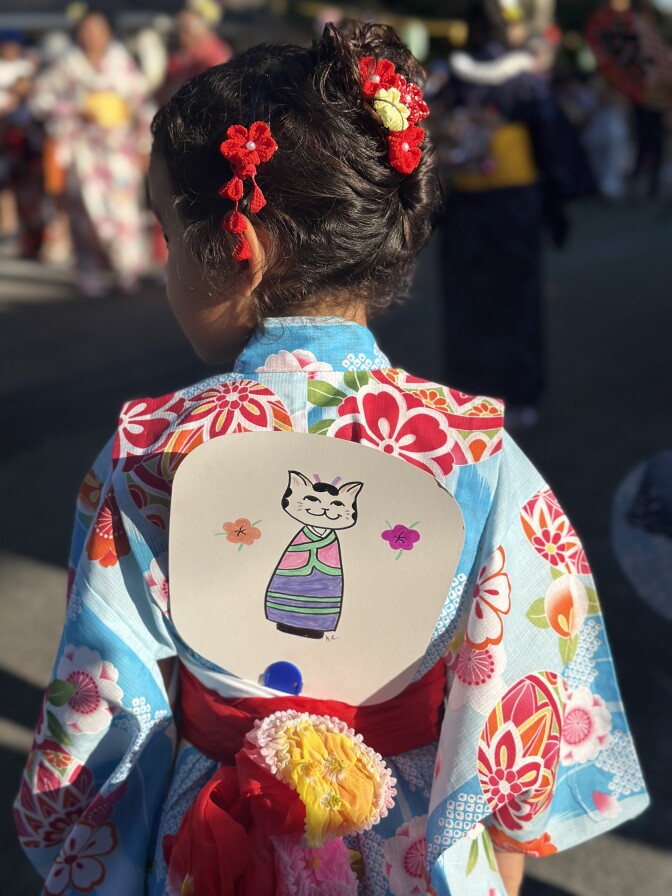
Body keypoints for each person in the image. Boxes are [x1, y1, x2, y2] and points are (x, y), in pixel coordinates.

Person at [13, 22, 648, 896]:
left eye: (167, 234)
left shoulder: (151, 449)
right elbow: (526, 692)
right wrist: (496, 856)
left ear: (239, 252)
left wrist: (90, 846)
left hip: (216, 836)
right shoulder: (474, 448)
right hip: (414, 834)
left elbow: (103, 702)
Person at [434, 0, 593, 430]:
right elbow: (555, 149)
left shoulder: (449, 79)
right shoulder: (525, 84)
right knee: (517, 301)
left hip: (465, 205)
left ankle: (469, 394)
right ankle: (521, 396)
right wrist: (560, 201)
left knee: (466, 302)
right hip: (515, 207)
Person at [30, 10, 150, 296]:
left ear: (108, 33)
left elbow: (141, 105)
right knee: (85, 211)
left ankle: (127, 270)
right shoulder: (67, 65)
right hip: (83, 151)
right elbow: (39, 99)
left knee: (124, 211)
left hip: (119, 149)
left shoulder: (122, 64)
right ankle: (88, 270)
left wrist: (145, 144)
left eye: (97, 29)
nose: (91, 36)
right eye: (86, 30)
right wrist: (74, 109)